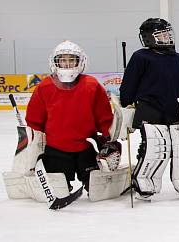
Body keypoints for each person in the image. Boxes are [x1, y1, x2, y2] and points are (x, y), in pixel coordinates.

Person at [120, 18, 179, 198]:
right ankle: (144, 182)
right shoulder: (141, 57)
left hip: (174, 110)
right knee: (155, 147)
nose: (167, 37)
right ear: (149, 38)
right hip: (150, 109)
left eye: (168, 33)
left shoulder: (177, 58)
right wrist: (126, 103)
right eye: (161, 34)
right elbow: (129, 86)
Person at [25, 41, 115, 194]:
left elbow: (104, 117)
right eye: (63, 60)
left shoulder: (91, 85)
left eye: (71, 59)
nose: (67, 64)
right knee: (59, 191)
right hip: (55, 150)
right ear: (56, 62)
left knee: (97, 191)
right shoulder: (44, 86)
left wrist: (110, 141)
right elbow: (34, 121)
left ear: (80, 62)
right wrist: (33, 147)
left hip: (86, 147)